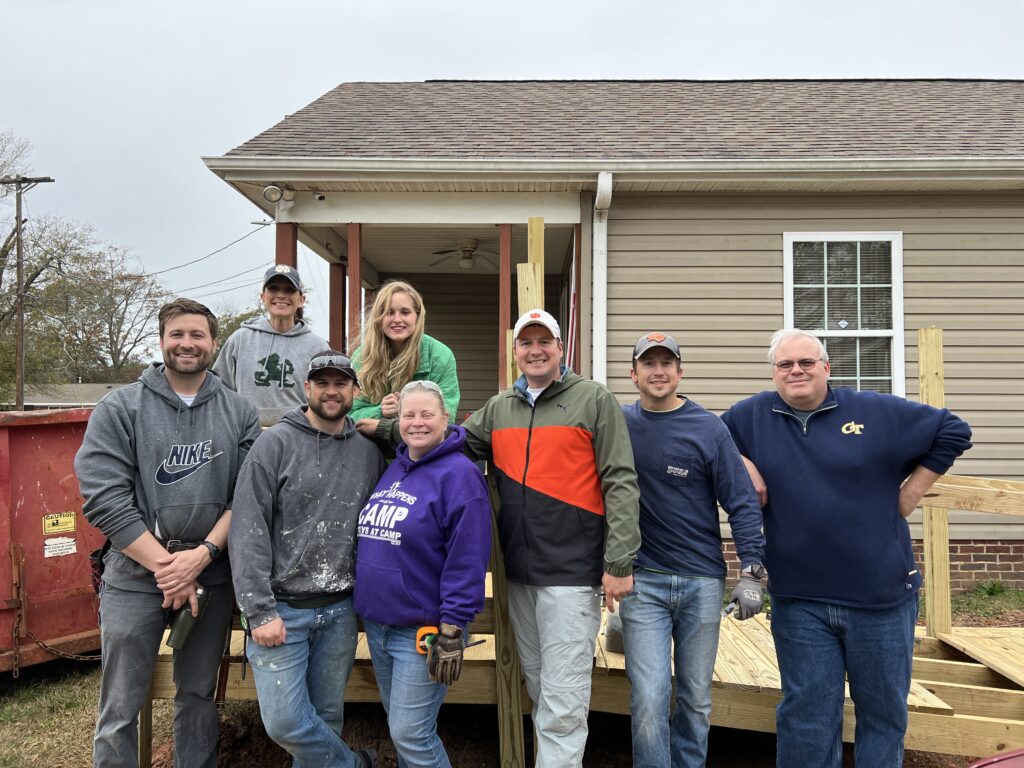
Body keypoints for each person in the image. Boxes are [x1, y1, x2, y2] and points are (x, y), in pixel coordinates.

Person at [721, 328, 972, 768]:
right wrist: (745, 466)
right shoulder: (750, 417)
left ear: (826, 368)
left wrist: (911, 493)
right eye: (785, 364)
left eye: (806, 362)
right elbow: (712, 441)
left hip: (879, 598)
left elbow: (953, 430)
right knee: (806, 717)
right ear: (774, 373)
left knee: (882, 716)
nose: (795, 370)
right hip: (800, 601)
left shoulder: (875, 411)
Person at [75, 298, 261, 768]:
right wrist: (167, 567)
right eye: (177, 334)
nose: (187, 343)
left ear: (214, 343)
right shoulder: (120, 407)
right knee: (120, 703)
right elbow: (103, 498)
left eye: (197, 335)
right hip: (134, 574)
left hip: (209, 575)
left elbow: (248, 497)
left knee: (198, 696)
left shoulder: (239, 412)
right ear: (161, 341)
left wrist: (200, 557)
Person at [461, 308, 641, 768]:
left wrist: (619, 561)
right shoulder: (501, 407)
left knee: (563, 700)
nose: (535, 350)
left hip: (571, 572)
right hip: (519, 573)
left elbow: (620, 480)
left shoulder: (593, 399)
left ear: (561, 348)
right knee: (542, 686)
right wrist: (389, 426)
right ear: (515, 351)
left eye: (545, 341)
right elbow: (448, 443)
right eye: (526, 342)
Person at [229, 350, 385, 768]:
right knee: (285, 723)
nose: (331, 391)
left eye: (340, 384)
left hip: (340, 610)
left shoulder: (368, 452)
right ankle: (355, 765)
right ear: (308, 389)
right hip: (283, 610)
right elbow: (247, 529)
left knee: (327, 717)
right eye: (323, 383)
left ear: (354, 390)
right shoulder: (273, 444)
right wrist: (258, 611)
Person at [619, 331, 766, 768]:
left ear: (680, 372)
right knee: (648, 695)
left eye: (667, 363)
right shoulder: (618, 423)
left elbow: (740, 501)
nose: (658, 371)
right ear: (634, 374)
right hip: (642, 580)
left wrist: (753, 570)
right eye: (649, 363)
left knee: (696, 698)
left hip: (701, 580)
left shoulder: (709, 428)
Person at [355, 380, 491, 768]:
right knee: (402, 728)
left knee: (411, 733)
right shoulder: (395, 468)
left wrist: (452, 628)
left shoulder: (461, 476)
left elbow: (467, 558)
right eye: (408, 415)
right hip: (379, 625)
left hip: (425, 631)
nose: (417, 423)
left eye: (427, 414)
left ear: (445, 418)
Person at [213, 264, 328, 426]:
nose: (281, 295)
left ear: (301, 300)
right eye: (273, 289)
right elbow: (220, 388)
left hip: (298, 435)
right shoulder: (240, 339)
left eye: (289, 290)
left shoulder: (317, 346)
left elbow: (324, 396)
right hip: (247, 436)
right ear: (263, 298)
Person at [351, 280, 459, 443]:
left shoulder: (439, 356)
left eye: (405, 312)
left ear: (417, 316)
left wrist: (400, 414)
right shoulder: (362, 357)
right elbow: (348, 414)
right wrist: (380, 411)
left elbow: (446, 417)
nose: (397, 319)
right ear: (379, 318)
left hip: (424, 454)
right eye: (389, 312)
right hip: (371, 451)